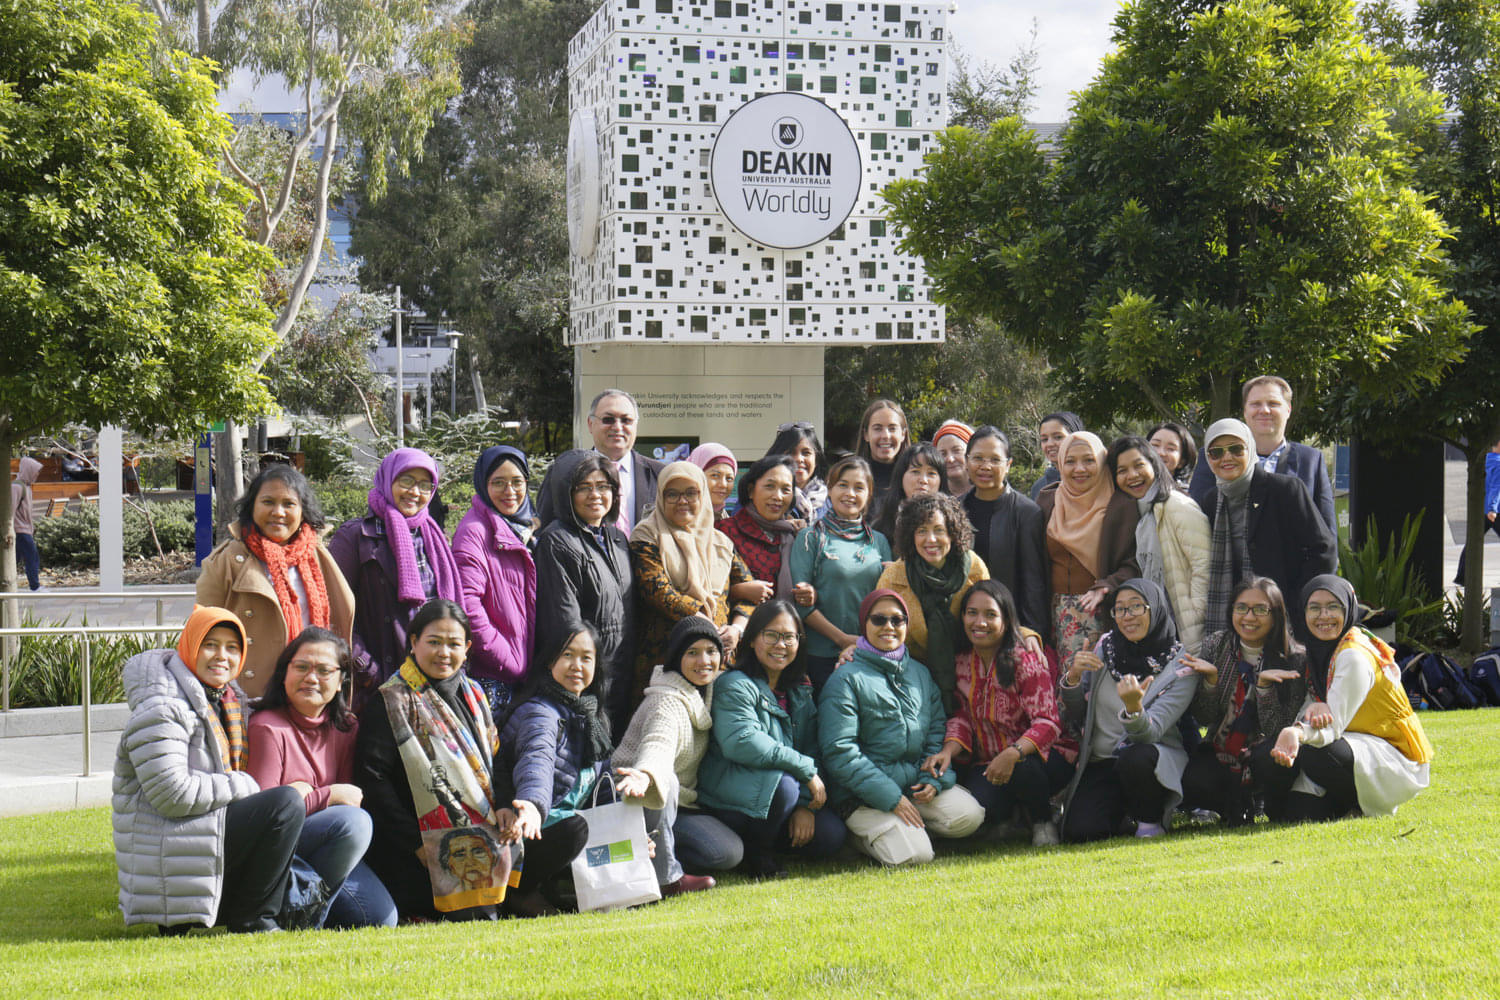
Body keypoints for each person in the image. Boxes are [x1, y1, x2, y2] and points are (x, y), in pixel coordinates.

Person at [113, 606, 302, 933]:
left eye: (232, 648)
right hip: (170, 854)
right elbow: (172, 794)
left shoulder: (226, 700)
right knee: (284, 804)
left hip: (195, 842)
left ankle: (253, 909)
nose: (222, 656)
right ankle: (255, 918)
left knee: (293, 809)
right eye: (210, 644)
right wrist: (243, 784)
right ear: (189, 646)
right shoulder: (163, 707)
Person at [354, 600, 504, 922]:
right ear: (413, 643)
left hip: (482, 836)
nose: (443, 653)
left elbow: (494, 759)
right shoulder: (391, 700)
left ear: (467, 648)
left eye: (453, 644)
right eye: (433, 642)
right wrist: (416, 843)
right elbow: (373, 779)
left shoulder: (475, 695)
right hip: (414, 848)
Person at [818, 589, 985, 865]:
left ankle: (909, 830)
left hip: (913, 786)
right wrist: (890, 797)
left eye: (897, 620)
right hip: (862, 797)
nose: (889, 627)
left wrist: (932, 779)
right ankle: (857, 838)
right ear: (865, 624)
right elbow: (840, 752)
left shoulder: (919, 673)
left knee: (969, 816)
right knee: (917, 855)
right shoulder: (845, 679)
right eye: (879, 619)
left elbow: (935, 731)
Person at [246, 628, 398, 928]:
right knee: (354, 823)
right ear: (284, 673)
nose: (311, 678)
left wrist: (306, 794)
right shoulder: (267, 726)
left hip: (328, 844)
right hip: (279, 851)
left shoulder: (346, 727)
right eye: (301, 667)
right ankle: (302, 919)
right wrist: (327, 795)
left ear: (341, 680)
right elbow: (263, 816)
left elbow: (349, 800)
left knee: (381, 919)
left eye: (324, 670)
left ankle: (299, 904)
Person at [497, 624, 651, 916]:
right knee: (575, 828)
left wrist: (631, 836)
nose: (576, 666)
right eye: (568, 655)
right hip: (526, 828)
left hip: (557, 823)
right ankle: (519, 892)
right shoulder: (540, 712)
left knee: (631, 799)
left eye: (586, 658)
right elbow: (536, 759)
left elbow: (600, 787)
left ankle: (563, 888)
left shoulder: (591, 716)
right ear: (550, 661)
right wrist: (532, 804)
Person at [698, 600, 847, 877]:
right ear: (753, 639)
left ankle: (766, 838)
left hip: (782, 794)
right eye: (771, 635)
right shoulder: (734, 684)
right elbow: (741, 741)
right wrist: (802, 769)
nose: (781, 644)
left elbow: (811, 747)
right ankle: (758, 856)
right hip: (730, 794)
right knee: (785, 786)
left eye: (789, 637)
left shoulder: (799, 689)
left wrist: (805, 806)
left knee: (830, 835)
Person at [1265, 576, 1432, 821]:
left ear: (1349, 608)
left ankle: (1360, 804)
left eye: (1333, 607)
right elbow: (1312, 706)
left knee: (1312, 752)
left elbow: (1332, 726)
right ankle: (1344, 806)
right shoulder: (1318, 650)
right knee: (1294, 814)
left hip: (1391, 754)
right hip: (1354, 742)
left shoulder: (1353, 655)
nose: (1324, 616)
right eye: (1314, 608)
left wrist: (1297, 733)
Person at [921, 581, 1070, 846]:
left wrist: (1012, 753)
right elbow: (961, 718)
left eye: (990, 614)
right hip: (988, 761)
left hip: (1040, 758)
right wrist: (947, 751)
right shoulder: (960, 663)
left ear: (1006, 619)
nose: (980, 622)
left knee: (1024, 771)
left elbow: (1048, 722)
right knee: (979, 807)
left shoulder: (1025, 660)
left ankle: (1042, 821)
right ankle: (1011, 816)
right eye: (972, 613)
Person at [197, 463, 355, 699]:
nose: (278, 512)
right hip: (249, 695)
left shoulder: (318, 557)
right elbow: (202, 633)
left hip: (311, 690)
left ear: (302, 511)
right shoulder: (227, 561)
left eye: (289, 504)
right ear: (252, 507)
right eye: (268, 502)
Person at [613, 616, 744, 896]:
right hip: (636, 794)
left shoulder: (705, 690)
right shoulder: (667, 702)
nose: (704, 661)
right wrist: (646, 773)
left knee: (728, 852)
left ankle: (652, 853)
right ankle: (667, 876)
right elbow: (657, 744)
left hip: (681, 805)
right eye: (692, 653)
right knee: (666, 779)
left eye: (711, 652)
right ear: (676, 658)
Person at [1058, 579, 1197, 841]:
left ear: (1154, 609)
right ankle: (1121, 815)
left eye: (1136, 607)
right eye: (1120, 609)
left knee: (1137, 757)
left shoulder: (1181, 665)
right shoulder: (1105, 647)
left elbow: (1150, 734)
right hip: (1103, 761)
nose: (1127, 616)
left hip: (1149, 761)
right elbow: (1077, 713)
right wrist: (1074, 677)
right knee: (1080, 832)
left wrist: (1134, 708)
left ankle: (1149, 821)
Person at [330, 448, 461, 699]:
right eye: (406, 481)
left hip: (433, 678)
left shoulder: (434, 538)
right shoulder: (356, 536)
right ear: (388, 480)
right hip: (380, 682)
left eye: (425, 485)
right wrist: (367, 668)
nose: (415, 492)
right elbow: (334, 612)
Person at [1177, 579, 1307, 827]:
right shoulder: (1217, 645)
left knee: (1265, 760)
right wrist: (1211, 682)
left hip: (1272, 752)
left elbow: (1276, 729)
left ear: (1276, 615)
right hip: (1224, 749)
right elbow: (1203, 718)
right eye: (1241, 608)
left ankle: (1265, 802)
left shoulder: (1295, 659)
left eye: (1260, 609)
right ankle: (1235, 805)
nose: (1249, 617)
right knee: (1196, 781)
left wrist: (1264, 689)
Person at [1196, 418, 1337, 639]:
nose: (1227, 458)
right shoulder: (1211, 501)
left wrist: (1295, 601)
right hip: (1235, 622)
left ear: (1250, 449)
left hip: (1284, 620)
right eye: (1216, 453)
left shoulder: (1285, 490)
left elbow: (1324, 551)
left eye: (1235, 449)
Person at [630, 461, 755, 694]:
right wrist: (702, 621)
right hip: (665, 658)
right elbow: (656, 590)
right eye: (672, 494)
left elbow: (750, 591)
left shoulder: (721, 542)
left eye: (691, 493)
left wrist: (736, 629)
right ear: (660, 497)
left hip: (717, 657)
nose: (682, 501)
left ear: (703, 495)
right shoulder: (647, 534)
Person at [875, 493, 989, 713]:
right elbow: (880, 636)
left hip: (970, 672)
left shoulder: (974, 567)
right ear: (911, 535)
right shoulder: (893, 577)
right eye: (921, 531)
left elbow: (992, 614)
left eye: (939, 530)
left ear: (952, 533)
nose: (931, 540)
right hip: (912, 677)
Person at [1037, 431, 1140, 674]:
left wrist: (1107, 584)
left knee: (1098, 684)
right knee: (1062, 685)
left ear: (1102, 461)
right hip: (1053, 613)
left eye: (1089, 460)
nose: (1079, 469)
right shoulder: (1048, 501)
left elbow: (1136, 561)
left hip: (1102, 610)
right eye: (1070, 461)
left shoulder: (1121, 505)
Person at [789, 456, 892, 692]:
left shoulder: (879, 542)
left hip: (870, 652)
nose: (850, 493)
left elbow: (887, 598)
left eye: (859, 487)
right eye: (843, 485)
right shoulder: (810, 538)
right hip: (821, 656)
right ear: (830, 488)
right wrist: (842, 639)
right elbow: (802, 605)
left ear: (869, 494)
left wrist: (865, 642)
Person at [1188, 375, 1337, 532]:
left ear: (1288, 410)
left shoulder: (1310, 460)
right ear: (1245, 411)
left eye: (1273, 404)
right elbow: (1196, 520)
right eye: (1255, 404)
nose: (1264, 410)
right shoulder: (1214, 456)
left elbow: (1327, 530)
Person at [1106, 436, 1211, 654]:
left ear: (1154, 465)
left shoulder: (1176, 505)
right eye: (1122, 470)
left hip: (1189, 630)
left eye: (1139, 465)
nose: (1132, 476)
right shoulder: (1142, 514)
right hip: (1164, 629)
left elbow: (1205, 568)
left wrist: (1193, 617)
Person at [452, 445, 538, 709]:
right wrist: (509, 659)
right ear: (483, 484)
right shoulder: (474, 531)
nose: (509, 492)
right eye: (498, 483)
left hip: (526, 672)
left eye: (517, 482)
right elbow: (468, 605)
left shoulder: (528, 528)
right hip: (493, 678)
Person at [961, 426, 1049, 641]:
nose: (985, 466)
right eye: (978, 458)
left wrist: (1031, 632)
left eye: (995, 459)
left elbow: (1034, 582)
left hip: (1011, 628)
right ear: (966, 460)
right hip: (964, 627)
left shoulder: (1027, 512)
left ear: (1008, 465)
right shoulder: (955, 509)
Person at [537, 389, 663, 531]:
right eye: (608, 419)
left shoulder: (660, 474)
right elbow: (545, 529)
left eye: (626, 420)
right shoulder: (563, 473)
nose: (617, 427)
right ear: (590, 424)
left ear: (636, 425)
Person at [719, 454, 800, 603]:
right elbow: (707, 588)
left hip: (785, 623)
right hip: (739, 624)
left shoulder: (795, 536)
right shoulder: (725, 531)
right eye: (770, 486)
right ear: (751, 490)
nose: (778, 496)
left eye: (786, 490)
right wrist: (738, 591)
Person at [871, 441, 948, 543]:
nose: (923, 480)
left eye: (931, 473)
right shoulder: (881, 528)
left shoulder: (952, 522)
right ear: (901, 476)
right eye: (915, 472)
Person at [1454, 436, 1500, 583]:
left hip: (1481, 509)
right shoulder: (1499, 464)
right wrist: (1493, 509)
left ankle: (1462, 576)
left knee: (1472, 542)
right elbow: (1496, 487)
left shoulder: (1484, 461)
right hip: (1495, 511)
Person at [765, 421, 828, 524]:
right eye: (791, 452)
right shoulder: (759, 495)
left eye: (806, 453)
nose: (799, 459)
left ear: (816, 460)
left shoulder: (832, 501)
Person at [853, 398, 910, 494]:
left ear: (903, 434)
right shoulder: (852, 478)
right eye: (877, 429)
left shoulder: (915, 481)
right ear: (866, 434)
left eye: (892, 428)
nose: (885, 436)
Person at [1029, 411, 1084, 501]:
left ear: (1076, 438)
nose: (1049, 444)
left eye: (1058, 437)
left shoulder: (1094, 478)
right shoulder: (1040, 487)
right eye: (1044, 439)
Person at [10, 455, 41, 591]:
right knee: (32, 557)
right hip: (20, 530)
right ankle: (35, 587)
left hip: (25, 529)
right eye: (35, 471)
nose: (37, 474)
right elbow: (10, 509)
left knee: (14, 560)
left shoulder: (27, 487)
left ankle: (8, 584)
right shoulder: (17, 487)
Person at [688, 442, 738, 522]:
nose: (723, 485)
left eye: (729, 478)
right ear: (695, 475)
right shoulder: (679, 521)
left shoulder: (728, 523)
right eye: (715, 475)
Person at [1147, 421, 1198, 489]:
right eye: (1155, 445)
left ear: (1182, 461)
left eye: (1170, 449)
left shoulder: (1184, 497)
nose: (1160, 453)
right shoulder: (1130, 490)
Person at [932, 419, 974, 496]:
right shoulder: (932, 497)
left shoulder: (991, 492)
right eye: (943, 454)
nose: (950, 459)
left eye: (957, 450)